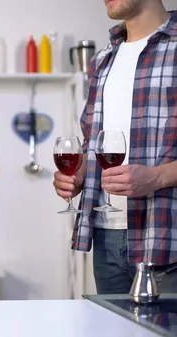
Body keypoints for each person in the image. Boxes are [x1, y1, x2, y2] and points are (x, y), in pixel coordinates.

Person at [54, 0, 177, 294]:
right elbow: (93, 144)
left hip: (165, 237)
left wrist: (156, 178)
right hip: (106, 238)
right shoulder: (101, 61)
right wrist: (78, 173)